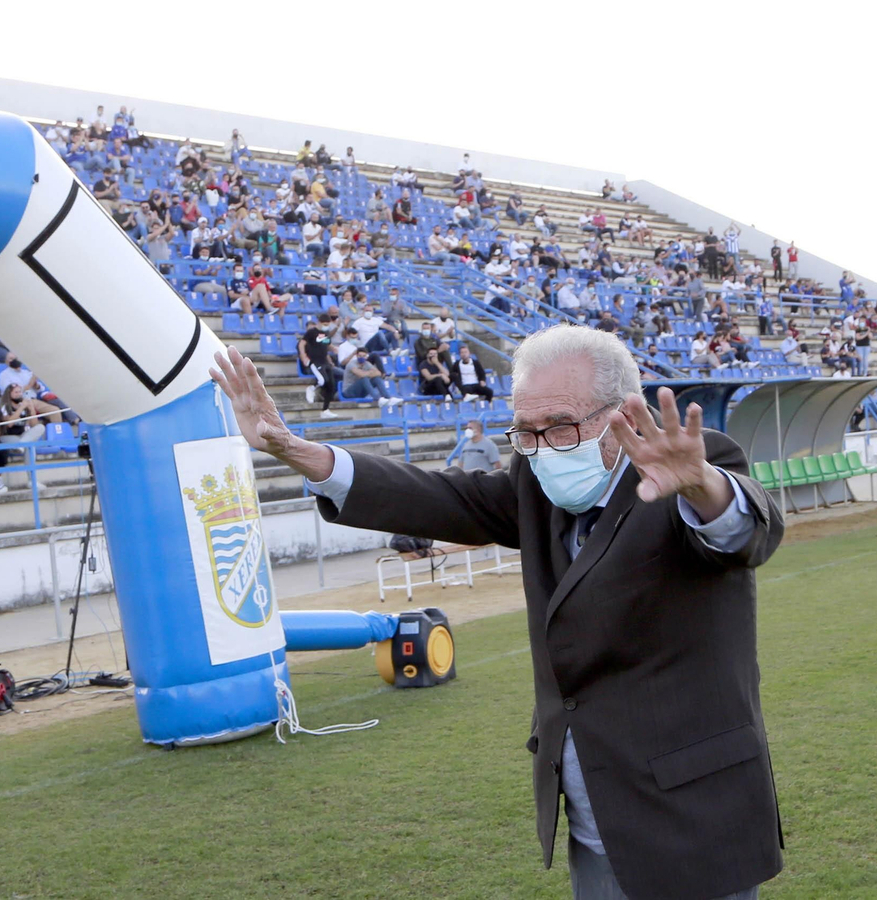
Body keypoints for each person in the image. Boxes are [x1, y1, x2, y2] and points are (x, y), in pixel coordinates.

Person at [210, 325, 785, 900]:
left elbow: (745, 530)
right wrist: (301, 452)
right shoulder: (536, 483)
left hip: (694, 818)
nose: (539, 447)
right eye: (525, 432)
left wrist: (704, 487)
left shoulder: (693, 467)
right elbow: (445, 497)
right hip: (597, 820)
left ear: (625, 417)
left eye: (559, 426)